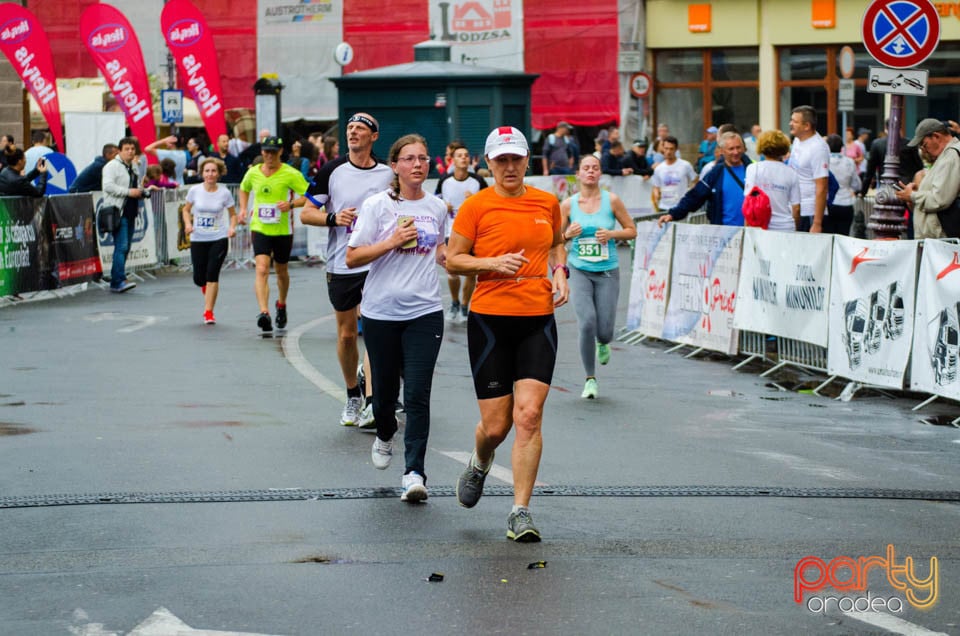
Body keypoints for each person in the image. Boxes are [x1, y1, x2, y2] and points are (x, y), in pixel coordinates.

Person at [447, 125, 570, 543]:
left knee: (529, 416)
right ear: (488, 163)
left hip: (537, 316)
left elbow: (556, 244)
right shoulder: (475, 207)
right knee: (496, 427)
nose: (510, 167)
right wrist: (490, 264)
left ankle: (520, 511)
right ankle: (481, 460)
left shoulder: (547, 202)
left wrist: (560, 272)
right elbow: (453, 259)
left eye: (516, 158)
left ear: (527, 161)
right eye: (502, 160)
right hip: (490, 320)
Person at [345, 133, 447, 502]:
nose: (417, 164)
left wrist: (472, 259)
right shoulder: (377, 206)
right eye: (409, 158)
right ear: (395, 166)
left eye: (422, 158)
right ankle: (385, 432)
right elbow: (352, 257)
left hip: (425, 312)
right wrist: (390, 240)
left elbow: (442, 252)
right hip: (381, 312)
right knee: (385, 396)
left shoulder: (437, 207)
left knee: (418, 393)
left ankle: (414, 473)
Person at [300, 113, 393, 426]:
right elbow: (306, 212)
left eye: (361, 128)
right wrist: (332, 218)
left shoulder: (386, 174)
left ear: (374, 136)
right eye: (350, 128)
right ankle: (353, 393)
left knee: (378, 331)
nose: (353, 133)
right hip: (341, 263)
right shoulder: (332, 170)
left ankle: (374, 397)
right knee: (347, 335)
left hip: (377, 262)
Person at [561, 155, 636, 399]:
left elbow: (631, 230)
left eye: (595, 168)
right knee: (587, 322)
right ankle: (590, 379)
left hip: (607, 271)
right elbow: (554, 238)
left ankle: (603, 342)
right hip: (579, 269)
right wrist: (567, 234)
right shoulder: (568, 204)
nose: (590, 172)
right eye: (586, 168)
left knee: (604, 331)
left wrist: (612, 233)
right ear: (579, 174)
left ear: (600, 173)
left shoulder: (611, 200)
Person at [237, 136, 309, 333]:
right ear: (262, 152)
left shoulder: (290, 174)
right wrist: (243, 209)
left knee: (281, 271)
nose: (269, 155)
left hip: (282, 229)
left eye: (273, 152)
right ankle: (264, 312)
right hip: (260, 227)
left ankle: (281, 304)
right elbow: (243, 189)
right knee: (261, 268)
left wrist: (291, 204)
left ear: (280, 153)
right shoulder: (253, 172)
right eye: (266, 151)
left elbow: (309, 195)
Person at [435, 142, 488, 323]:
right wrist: (443, 205)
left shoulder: (478, 181)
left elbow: (490, 203)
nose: (464, 158)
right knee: (452, 270)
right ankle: (455, 302)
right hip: (452, 230)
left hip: (474, 232)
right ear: (452, 160)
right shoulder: (444, 181)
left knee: (471, 271)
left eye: (466, 155)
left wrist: (476, 201)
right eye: (460, 155)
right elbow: (434, 203)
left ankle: (465, 305)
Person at [182, 157, 237, 325]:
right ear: (202, 173)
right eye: (207, 171)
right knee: (199, 278)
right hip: (198, 237)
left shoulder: (224, 193)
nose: (210, 174)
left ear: (219, 173)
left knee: (212, 274)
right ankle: (207, 291)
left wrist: (232, 227)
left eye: (213, 171)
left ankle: (208, 312)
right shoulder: (195, 191)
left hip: (218, 238)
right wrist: (188, 224)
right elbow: (186, 210)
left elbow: (233, 214)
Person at [658, 131, 751, 227]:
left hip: (752, 233)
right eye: (731, 149)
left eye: (738, 147)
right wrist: (673, 214)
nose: (736, 152)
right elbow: (695, 196)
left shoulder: (752, 170)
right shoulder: (715, 174)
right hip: (724, 233)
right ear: (722, 151)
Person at [895, 118, 960, 239]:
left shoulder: (950, 156)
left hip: (941, 241)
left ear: (936, 136)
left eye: (924, 145)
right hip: (937, 240)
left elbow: (939, 199)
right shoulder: (945, 156)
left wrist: (912, 196)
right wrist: (913, 195)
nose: (924, 150)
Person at [101, 137, 148, 293]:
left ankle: (120, 276)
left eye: (132, 149)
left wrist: (141, 191)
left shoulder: (133, 166)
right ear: (119, 151)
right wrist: (129, 192)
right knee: (121, 246)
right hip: (117, 211)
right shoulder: (111, 166)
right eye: (127, 149)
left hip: (131, 210)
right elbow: (107, 186)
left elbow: (134, 186)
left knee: (126, 246)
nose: (130, 152)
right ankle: (117, 281)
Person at [743, 130, 800, 232]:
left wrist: (747, 229)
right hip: (786, 227)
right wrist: (794, 228)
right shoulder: (792, 173)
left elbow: (749, 201)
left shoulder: (753, 168)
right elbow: (796, 208)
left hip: (760, 227)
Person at [788, 105, 830, 233]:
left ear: (806, 126)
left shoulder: (818, 148)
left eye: (795, 121)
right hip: (794, 208)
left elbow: (822, 187)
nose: (790, 124)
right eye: (791, 120)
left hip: (809, 213)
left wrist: (817, 223)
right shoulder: (797, 140)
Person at [650, 135, 697, 215]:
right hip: (663, 207)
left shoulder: (685, 165)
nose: (668, 152)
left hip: (680, 206)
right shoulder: (659, 168)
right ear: (663, 149)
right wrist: (656, 194)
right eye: (666, 148)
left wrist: (690, 194)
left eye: (671, 149)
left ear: (676, 149)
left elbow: (696, 181)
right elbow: (656, 186)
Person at [825, 133, 860, 236]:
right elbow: (857, 184)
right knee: (844, 237)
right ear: (841, 147)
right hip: (846, 204)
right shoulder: (849, 162)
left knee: (828, 237)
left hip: (828, 204)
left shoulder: (824, 162)